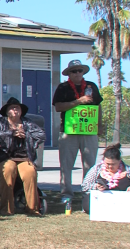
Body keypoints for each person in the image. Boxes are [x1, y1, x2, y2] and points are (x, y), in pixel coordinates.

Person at [52, 59, 103, 202]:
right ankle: (66, 194)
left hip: (89, 131)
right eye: (74, 71)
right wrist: (77, 102)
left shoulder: (91, 86)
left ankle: (88, 195)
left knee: (90, 165)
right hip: (69, 132)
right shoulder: (63, 88)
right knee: (66, 165)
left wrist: (99, 124)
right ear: (69, 73)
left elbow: (98, 106)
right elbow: (58, 107)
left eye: (80, 70)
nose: (77, 73)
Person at [0, 97, 46, 216]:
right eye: (12, 108)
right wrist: (11, 133)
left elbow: (41, 134)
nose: (15, 110)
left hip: (24, 157)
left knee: (30, 172)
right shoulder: (1, 123)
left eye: (17, 108)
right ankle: (7, 209)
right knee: (9, 169)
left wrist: (26, 135)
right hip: (5, 156)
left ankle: (32, 209)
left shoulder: (27, 123)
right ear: (7, 111)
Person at [81, 143, 130, 214]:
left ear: (120, 161)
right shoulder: (97, 168)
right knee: (87, 202)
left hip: (122, 201)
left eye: (113, 164)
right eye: (107, 163)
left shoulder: (128, 170)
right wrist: (96, 187)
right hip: (102, 200)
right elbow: (85, 186)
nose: (110, 166)